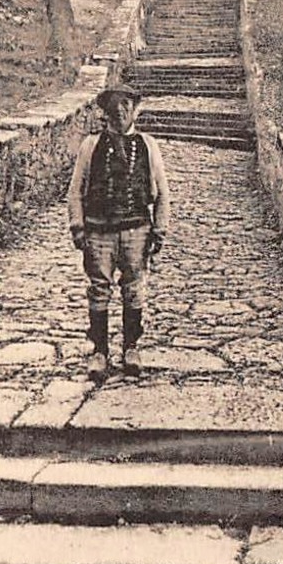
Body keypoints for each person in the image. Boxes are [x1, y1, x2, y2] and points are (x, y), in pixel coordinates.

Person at [67, 84, 170, 382]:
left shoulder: (148, 145)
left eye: (127, 105)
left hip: (137, 229)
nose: (121, 110)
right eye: (115, 105)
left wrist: (159, 229)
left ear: (134, 109)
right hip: (99, 231)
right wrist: (78, 227)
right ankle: (99, 351)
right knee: (99, 288)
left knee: (134, 288)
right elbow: (75, 191)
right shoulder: (91, 145)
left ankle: (131, 347)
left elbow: (162, 192)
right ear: (106, 111)